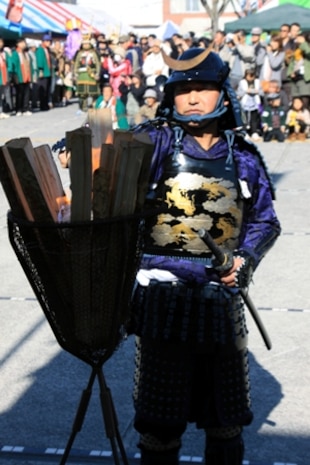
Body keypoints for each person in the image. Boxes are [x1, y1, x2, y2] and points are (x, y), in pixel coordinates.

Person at [129, 46, 281, 465]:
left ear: (223, 94)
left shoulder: (244, 157)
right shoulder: (153, 140)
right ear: (170, 96)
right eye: (183, 89)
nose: (193, 98)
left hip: (222, 300)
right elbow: (106, 164)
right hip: (162, 298)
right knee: (159, 428)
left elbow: (265, 222)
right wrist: (71, 151)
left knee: (226, 425)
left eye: (203, 88)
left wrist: (245, 261)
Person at [237, 68, 262, 140]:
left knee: (254, 119)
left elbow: (261, 92)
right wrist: (246, 91)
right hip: (245, 103)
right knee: (244, 119)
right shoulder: (242, 82)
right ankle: (245, 132)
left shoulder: (257, 82)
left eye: (252, 76)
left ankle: (254, 132)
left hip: (254, 103)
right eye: (249, 76)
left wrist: (257, 91)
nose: (251, 78)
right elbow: (239, 93)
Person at [10, 37, 32, 116]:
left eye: (24, 42)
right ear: (18, 44)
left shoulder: (26, 53)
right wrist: (14, 76)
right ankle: (18, 109)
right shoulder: (15, 53)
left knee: (27, 93)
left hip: (27, 75)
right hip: (19, 75)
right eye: (22, 43)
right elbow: (14, 65)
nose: (24, 44)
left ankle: (25, 108)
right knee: (19, 93)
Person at [36, 33, 53, 111]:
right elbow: (39, 61)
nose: (49, 42)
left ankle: (46, 104)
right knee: (43, 89)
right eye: (47, 41)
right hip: (43, 72)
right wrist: (41, 70)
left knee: (47, 89)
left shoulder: (47, 50)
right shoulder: (40, 50)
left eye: (49, 41)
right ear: (43, 41)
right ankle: (42, 105)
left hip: (48, 71)